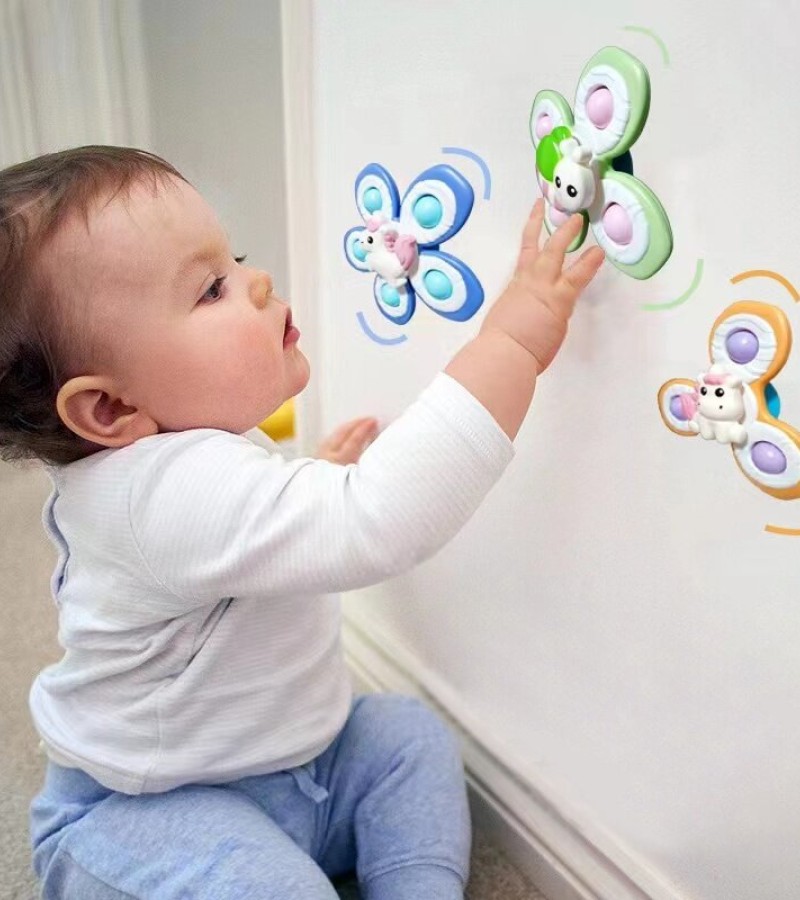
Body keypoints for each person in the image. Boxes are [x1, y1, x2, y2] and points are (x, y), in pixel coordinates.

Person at [0, 146, 604, 899]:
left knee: (406, 737)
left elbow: (235, 531)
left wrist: (308, 474)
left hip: (297, 771)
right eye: (212, 289)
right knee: (273, 886)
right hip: (144, 810)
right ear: (111, 408)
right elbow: (377, 518)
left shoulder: (181, 460)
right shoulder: (150, 495)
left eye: (235, 260)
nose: (257, 282)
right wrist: (510, 345)